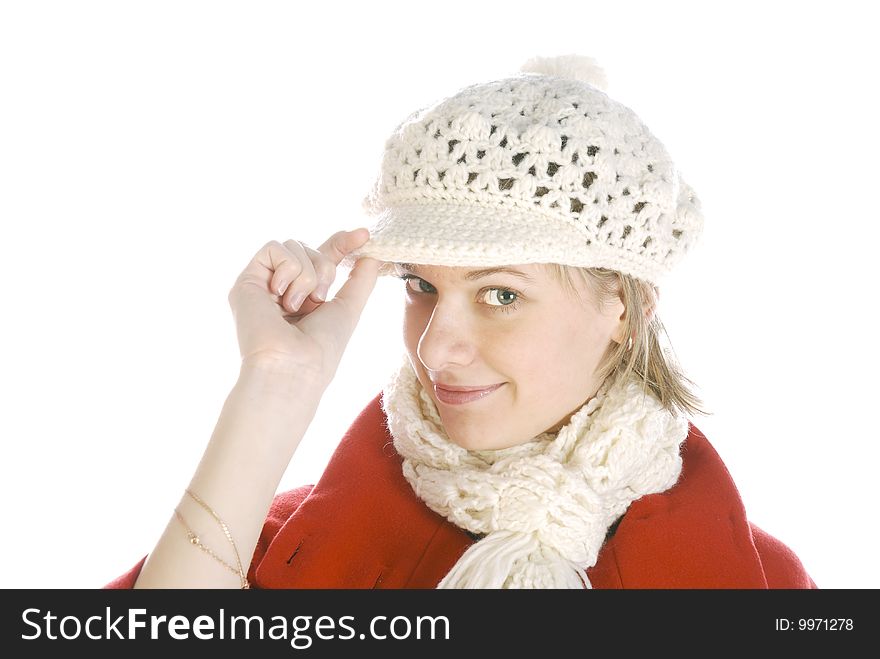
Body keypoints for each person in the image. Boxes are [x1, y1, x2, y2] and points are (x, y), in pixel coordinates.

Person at [106, 55, 815, 589]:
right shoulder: (248, 546)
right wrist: (272, 389)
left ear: (624, 308)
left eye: (501, 294)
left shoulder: (763, 583)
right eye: (418, 285)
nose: (437, 346)